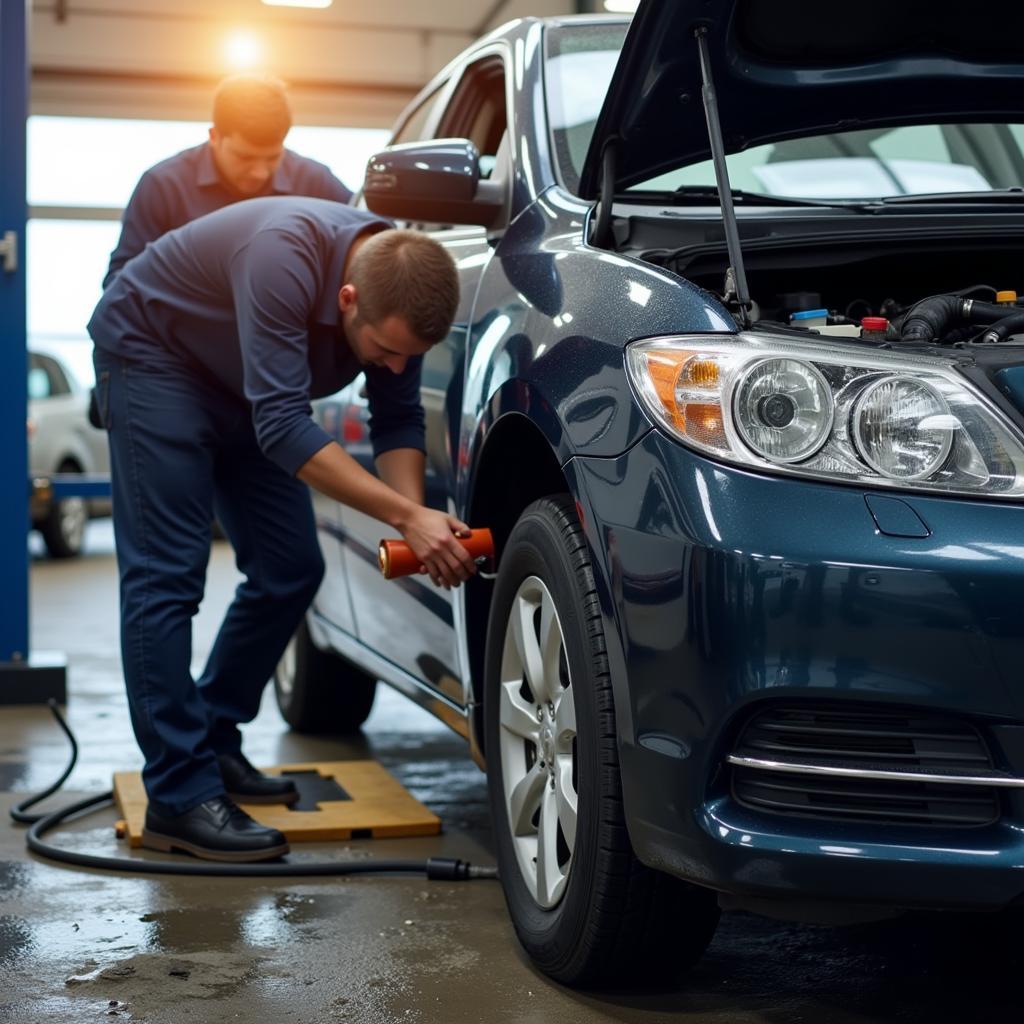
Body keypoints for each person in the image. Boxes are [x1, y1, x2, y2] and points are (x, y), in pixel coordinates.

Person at [87, 196, 477, 862]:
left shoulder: (399, 299)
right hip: (155, 358)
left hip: (244, 385)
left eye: (403, 357)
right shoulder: (281, 258)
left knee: (291, 568)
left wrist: (415, 523)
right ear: (348, 298)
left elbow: (397, 421)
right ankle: (179, 797)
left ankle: (209, 738)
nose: (389, 367)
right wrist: (407, 515)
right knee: (167, 577)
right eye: (382, 351)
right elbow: (281, 427)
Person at [103, 73, 351, 288]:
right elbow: (120, 283)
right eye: (245, 157)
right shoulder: (163, 185)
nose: (260, 173)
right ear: (214, 136)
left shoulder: (315, 183)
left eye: (273, 157)